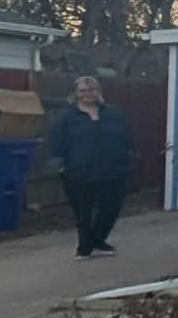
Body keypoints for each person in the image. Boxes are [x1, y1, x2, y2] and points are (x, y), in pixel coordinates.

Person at [48, 76, 133, 260]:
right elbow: (56, 140)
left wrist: (128, 157)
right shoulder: (67, 116)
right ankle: (84, 247)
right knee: (82, 211)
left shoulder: (113, 113)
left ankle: (98, 239)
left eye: (92, 90)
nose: (88, 94)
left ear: (98, 92)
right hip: (78, 171)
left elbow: (126, 137)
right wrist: (58, 164)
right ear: (75, 94)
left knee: (111, 208)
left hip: (113, 169)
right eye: (83, 91)